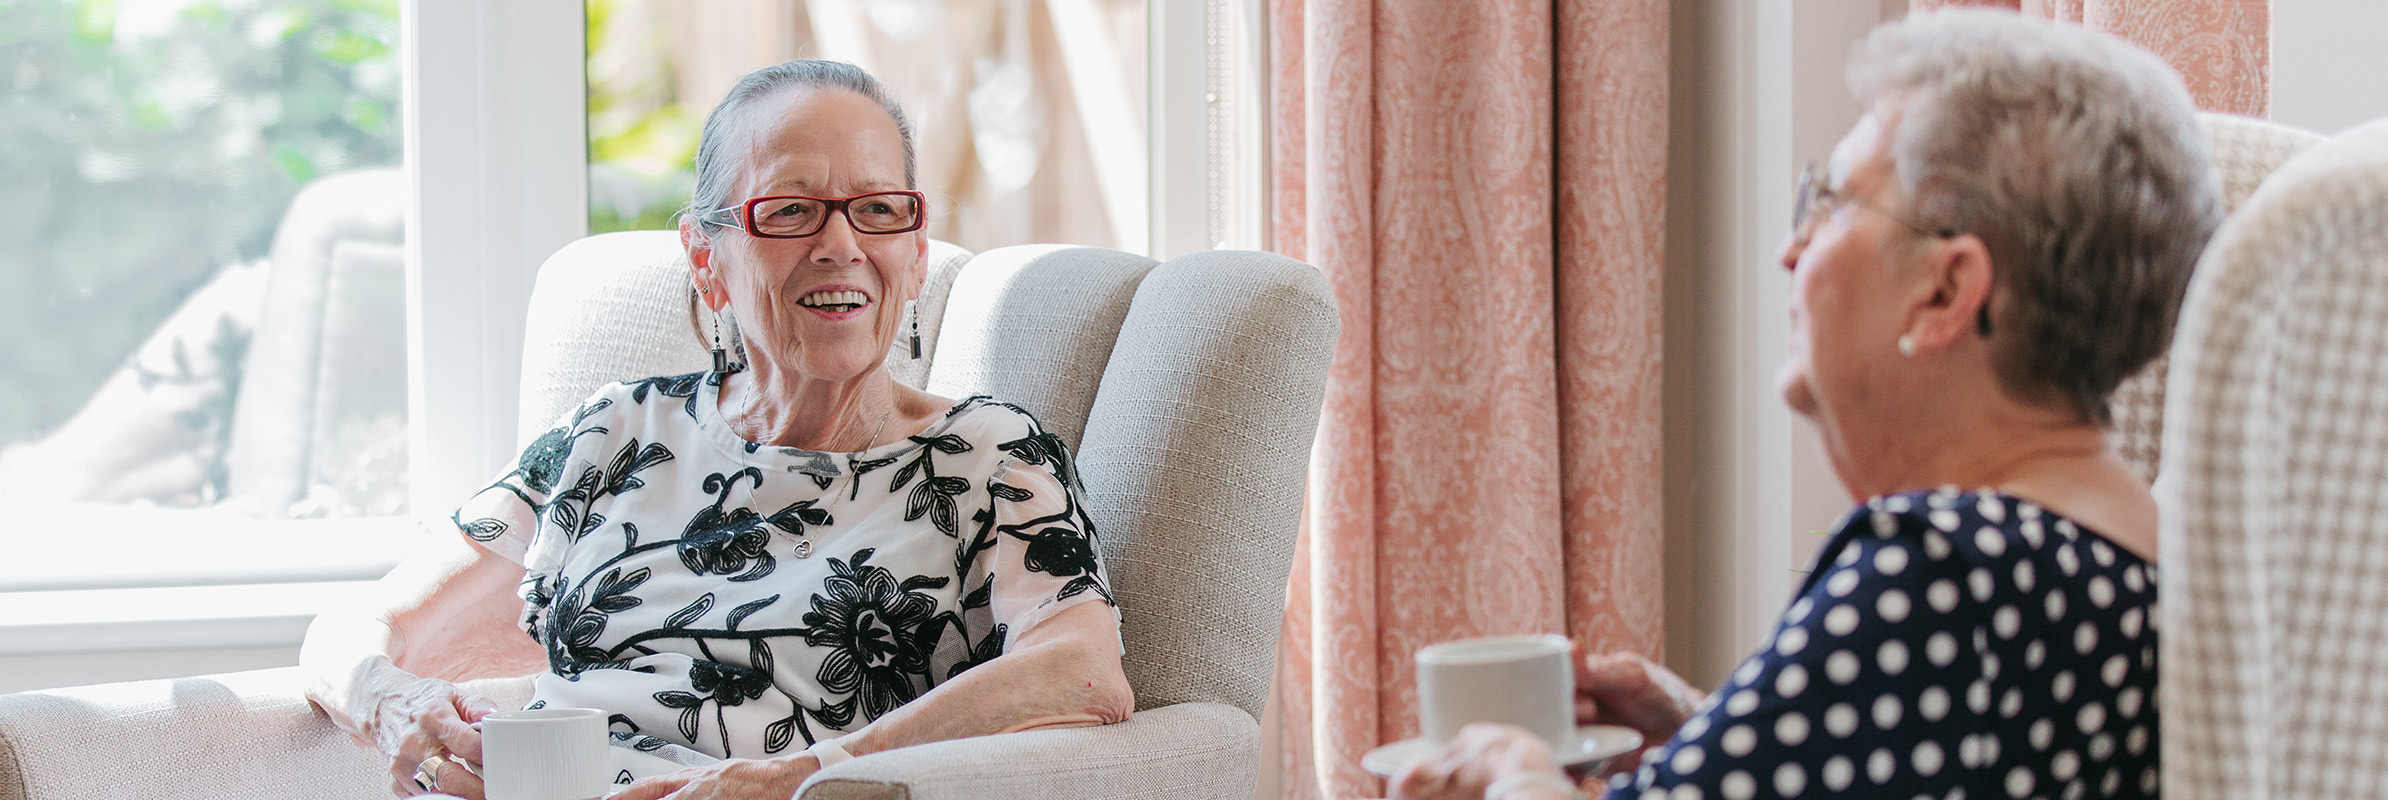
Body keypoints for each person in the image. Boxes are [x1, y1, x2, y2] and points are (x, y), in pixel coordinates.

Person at [1392, 9, 2216, 799]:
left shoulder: (1940, 568)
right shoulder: (2128, 551)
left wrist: (1513, 773)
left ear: (1946, 290)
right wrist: (1713, 730)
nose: (1790, 250)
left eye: (1831, 202)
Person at [300, 60, 1134, 800]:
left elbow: (1082, 672)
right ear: (705, 257)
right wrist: (389, 701)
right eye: (792, 211)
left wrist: (805, 777)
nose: (841, 244)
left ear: (914, 252)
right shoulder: (618, 432)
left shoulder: (987, 458)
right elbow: (357, 629)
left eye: (879, 209)